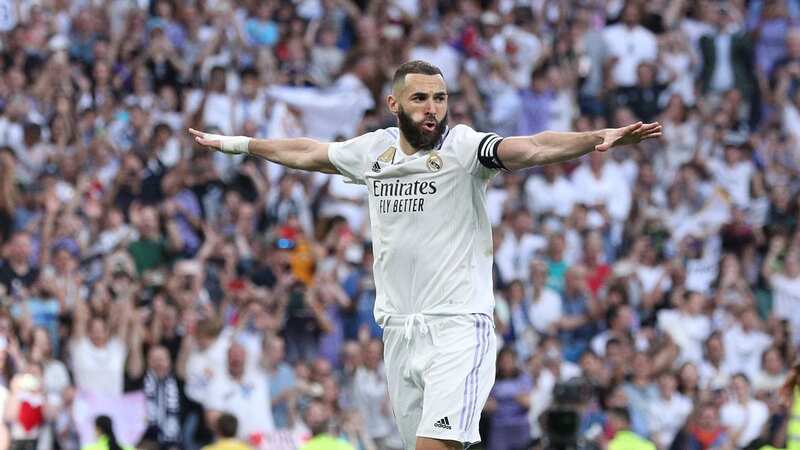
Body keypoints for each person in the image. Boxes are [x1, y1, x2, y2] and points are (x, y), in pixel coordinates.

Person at [190, 60, 661, 450]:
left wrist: (597, 137)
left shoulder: (465, 148)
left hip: (457, 326)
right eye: (420, 98)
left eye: (440, 98)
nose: (432, 108)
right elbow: (308, 151)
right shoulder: (373, 152)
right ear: (394, 104)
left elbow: (533, 146)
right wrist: (238, 144)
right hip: (398, 331)